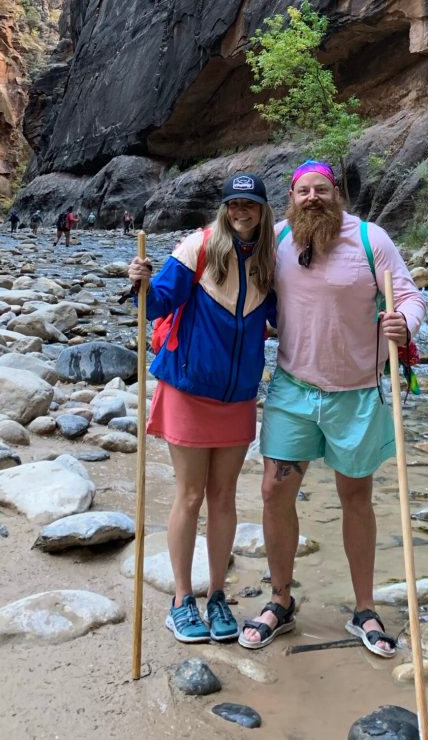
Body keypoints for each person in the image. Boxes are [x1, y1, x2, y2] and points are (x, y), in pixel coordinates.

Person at [237, 160, 425, 657]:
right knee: (274, 492)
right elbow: (220, 259)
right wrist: (150, 274)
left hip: (358, 393)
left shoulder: (370, 240)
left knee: (355, 497)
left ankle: (365, 606)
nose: (312, 197)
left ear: (335, 193)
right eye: (303, 191)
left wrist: (403, 323)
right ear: (291, 198)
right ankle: (280, 600)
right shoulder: (276, 239)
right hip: (294, 389)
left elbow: (408, 295)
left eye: (321, 189)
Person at [127, 173, 276, 645]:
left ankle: (216, 596)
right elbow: (156, 303)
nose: (240, 212)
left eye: (249, 204)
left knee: (226, 498)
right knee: (191, 496)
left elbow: (290, 318)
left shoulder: (270, 263)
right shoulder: (200, 247)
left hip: (237, 395)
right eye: (233, 204)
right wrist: (141, 282)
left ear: (263, 210)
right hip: (189, 388)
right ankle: (181, 600)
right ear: (225, 208)